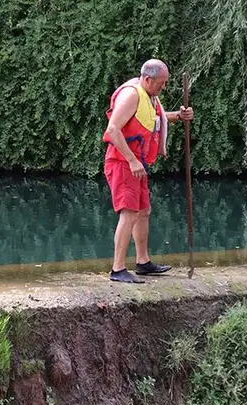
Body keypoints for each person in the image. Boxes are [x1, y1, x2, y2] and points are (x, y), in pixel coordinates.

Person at [101, 58, 194, 284]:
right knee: (129, 212)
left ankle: (143, 262)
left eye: (166, 83)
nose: (164, 87)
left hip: (136, 164)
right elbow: (113, 130)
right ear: (147, 79)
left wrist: (178, 116)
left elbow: (153, 120)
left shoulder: (149, 96)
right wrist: (132, 161)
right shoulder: (131, 94)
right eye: (161, 83)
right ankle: (118, 269)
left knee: (143, 211)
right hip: (123, 162)